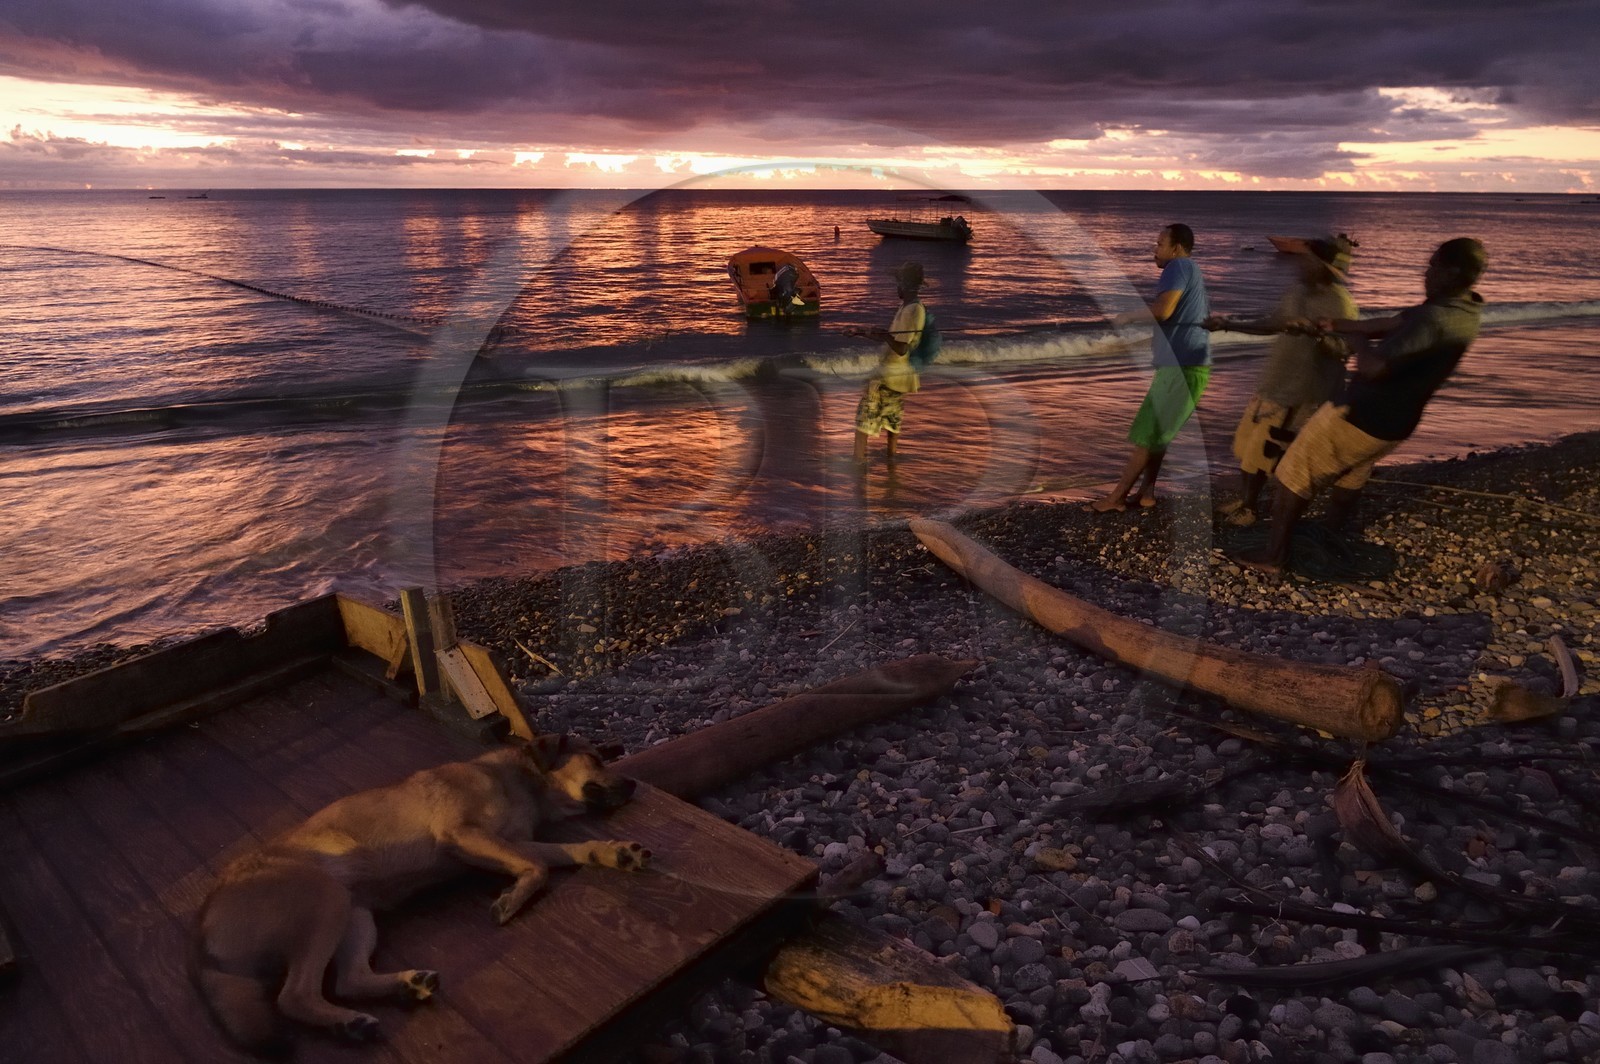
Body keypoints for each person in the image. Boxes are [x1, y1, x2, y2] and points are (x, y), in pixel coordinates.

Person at [1237, 237, 1487, 574]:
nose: (1426, 273)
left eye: (1433, 266)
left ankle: (1274, 556)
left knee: (1293, 473)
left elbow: (1374, 368)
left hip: (1360, 415)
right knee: (1352, 471)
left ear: (1451, 271)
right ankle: (1331, 531)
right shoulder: (1465, 310)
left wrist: (1354, 340)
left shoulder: (1434, 319)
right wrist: (1335, 324)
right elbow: (1391, 323)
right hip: (1396, 423)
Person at [1211, 236, 1357, 526]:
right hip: (1275, 381)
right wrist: (1228, 324)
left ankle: (1252, 509)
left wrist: (1315, 334)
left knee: (1266, 453)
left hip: (1303, 392)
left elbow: (1346, 348)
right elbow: (1273, 323)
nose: (1301, 264)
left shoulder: (1340, 302)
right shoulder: (1297, 291)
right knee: (1248, 446)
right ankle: (1247, 501)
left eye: (1308, 260)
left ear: (1323, 266)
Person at [1091, 223, 1211, 512]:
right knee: (1159, 435)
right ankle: (1147, 493)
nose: (1154, 250)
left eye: (1159, 244)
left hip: (1180, 367)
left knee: (1147, 435)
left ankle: (1115, 498)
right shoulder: (1193, 271)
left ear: (1176, 248)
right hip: (1193, 366)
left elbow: (1164, 310)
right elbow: (1184, 323)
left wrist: (1128, 317)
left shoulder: (1177, 266)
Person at [850, 261, 927, 464]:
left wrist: (885, 335)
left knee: (863, 423)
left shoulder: (914, 311)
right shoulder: (907, 307)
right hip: (898, 377)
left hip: (888, 376)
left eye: (898, 283)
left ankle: (858, 465)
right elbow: (892, 339)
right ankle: (891, 466)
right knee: (892, 423)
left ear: (906, 285)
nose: (896, 287)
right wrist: (861, 332)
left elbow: (901, 348)